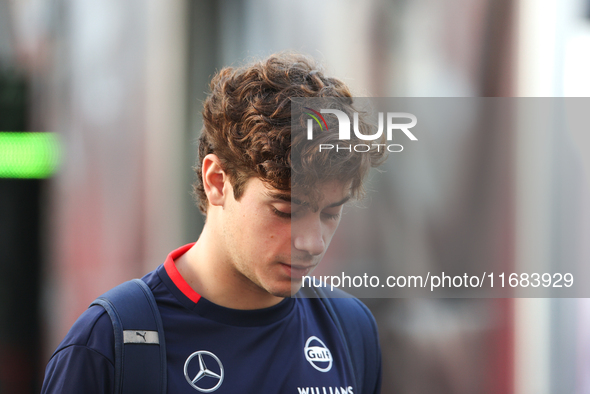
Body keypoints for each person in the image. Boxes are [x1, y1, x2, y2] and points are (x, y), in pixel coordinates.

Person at [41, 53, 384, 393]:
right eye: (286, 210)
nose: (313, 243)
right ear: (217, 180)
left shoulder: (350, 330)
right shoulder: (110, 341)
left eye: (330, 213)